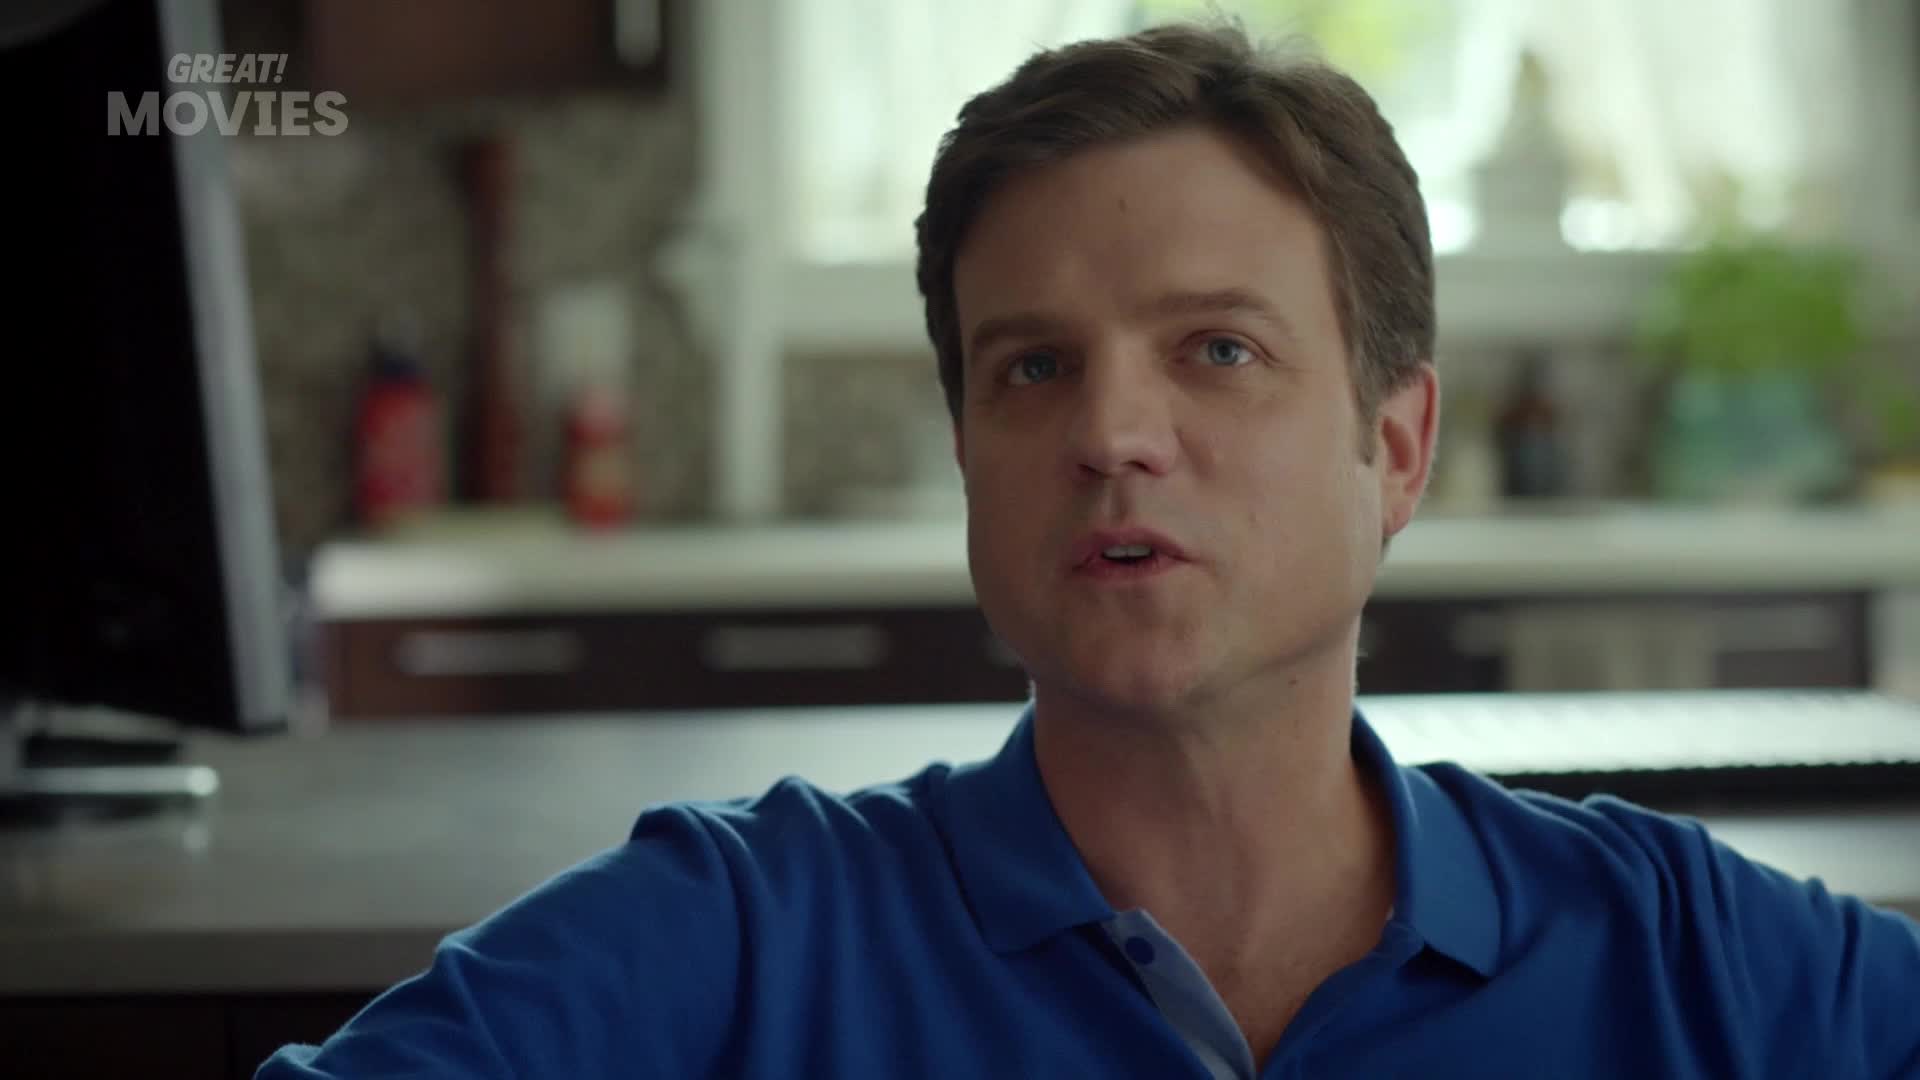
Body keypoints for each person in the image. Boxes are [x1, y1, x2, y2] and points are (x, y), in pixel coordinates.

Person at [258, 19, 1920, 1079]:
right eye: (1033, 366)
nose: (1111, 434)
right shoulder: (741, 942)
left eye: (1217, 350)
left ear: (1395, 448)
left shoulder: (1695, 965)